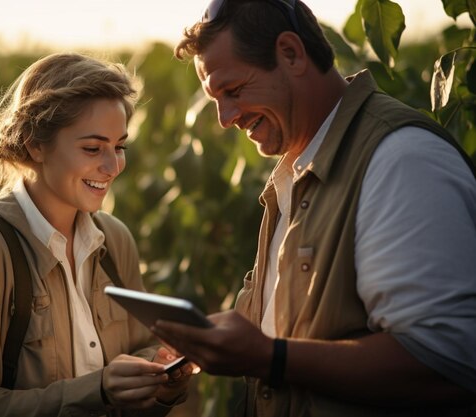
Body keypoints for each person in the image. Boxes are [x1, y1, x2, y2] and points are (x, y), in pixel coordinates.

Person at [151, 0, 476, 415]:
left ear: (291, 53)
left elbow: (448, 365)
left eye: (232, 91)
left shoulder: (401, 160)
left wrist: (270, 358)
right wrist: (204, 343)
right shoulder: (296, 170)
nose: (225, 118)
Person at [0, 52, 192, 417]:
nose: (113, 166)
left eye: (120, 146)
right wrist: (96, 390)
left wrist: (159, 378)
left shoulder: (114, 240)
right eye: (93, 148)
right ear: (35, 144)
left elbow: (141, 346)